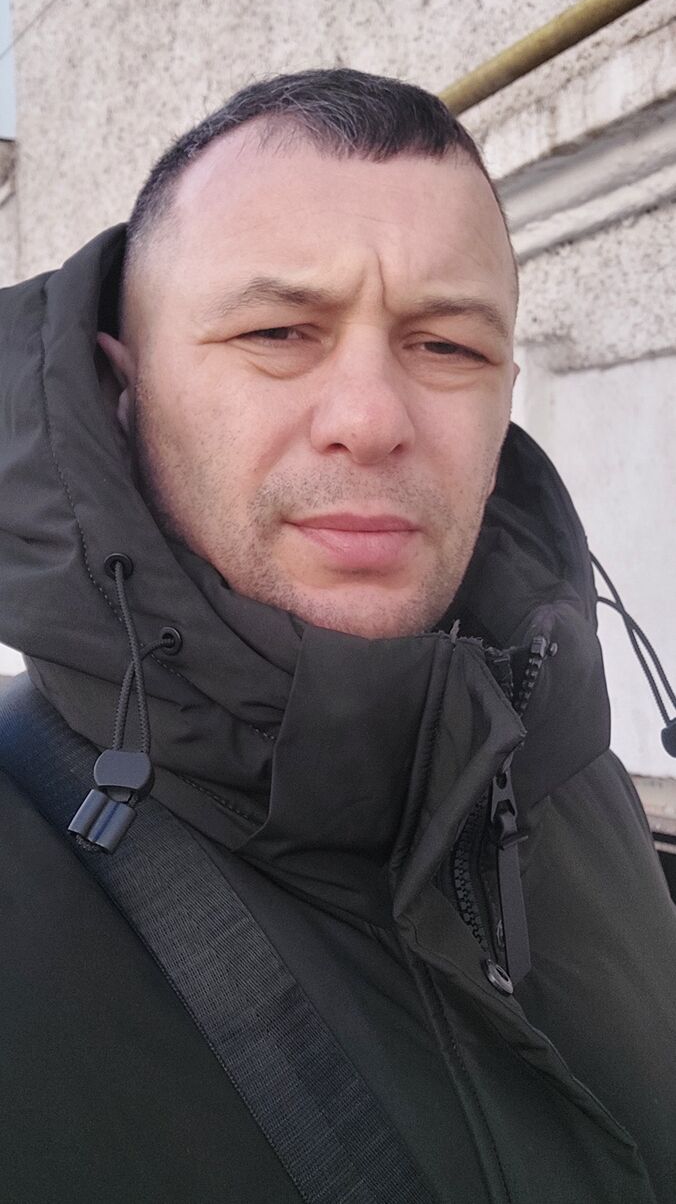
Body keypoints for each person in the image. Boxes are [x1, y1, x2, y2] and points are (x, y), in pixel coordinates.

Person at [0, 68, 674, 1204]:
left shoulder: (569, 778)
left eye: (447, 348)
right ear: (125, 389)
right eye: (277, 332)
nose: (370, 419)